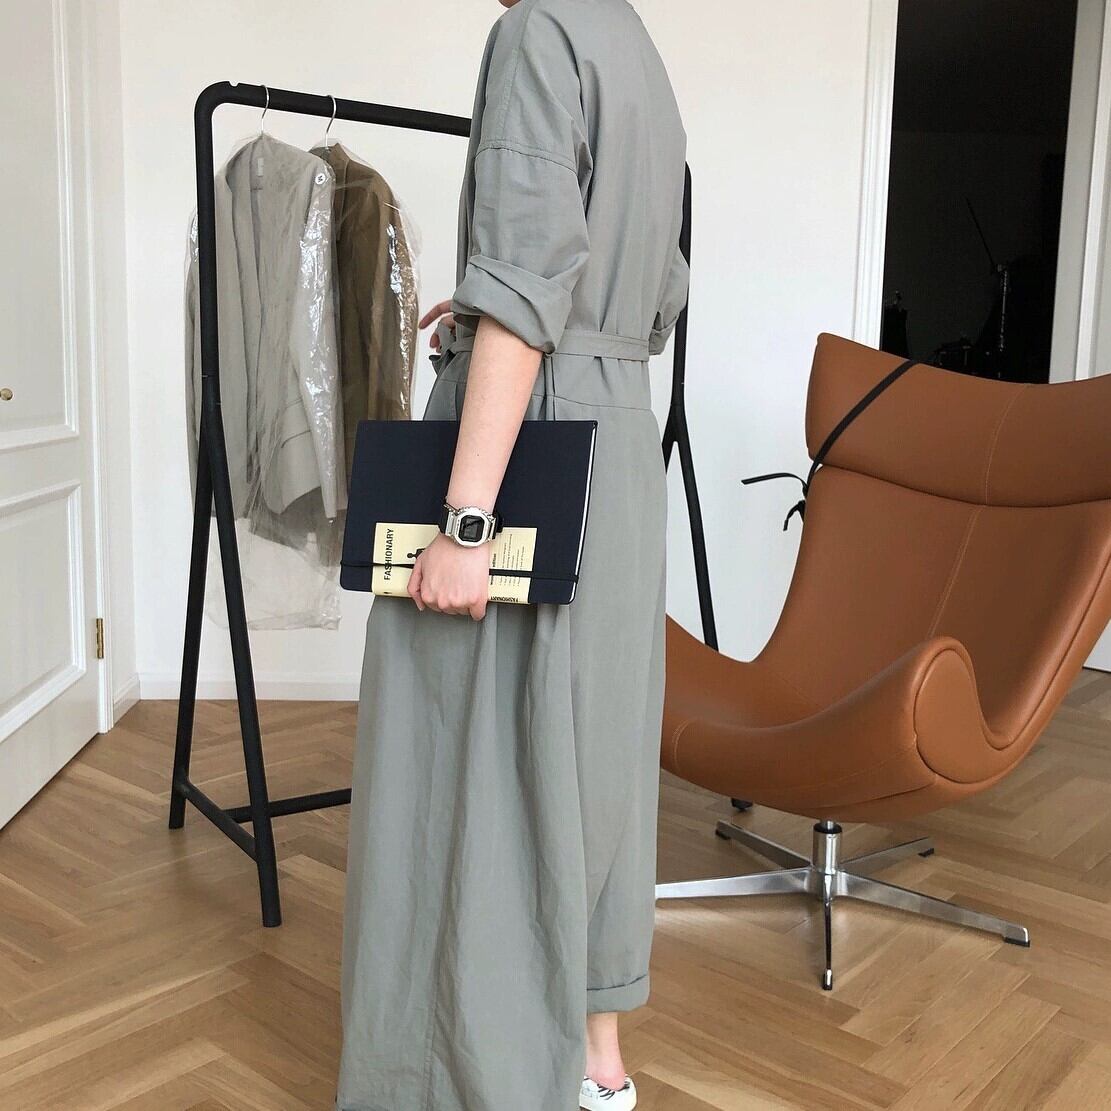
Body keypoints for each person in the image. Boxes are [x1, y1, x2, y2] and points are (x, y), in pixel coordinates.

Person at [335, 0, 688, 1107]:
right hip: (614, 441)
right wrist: (496, 317)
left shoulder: (538, 30)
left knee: (473, 769)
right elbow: (645, 295)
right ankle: (595, 1065)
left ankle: (473, 1082)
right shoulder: (632, 45)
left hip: (529, 449)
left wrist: (466, 524)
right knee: (586, 764)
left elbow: (532, 291)